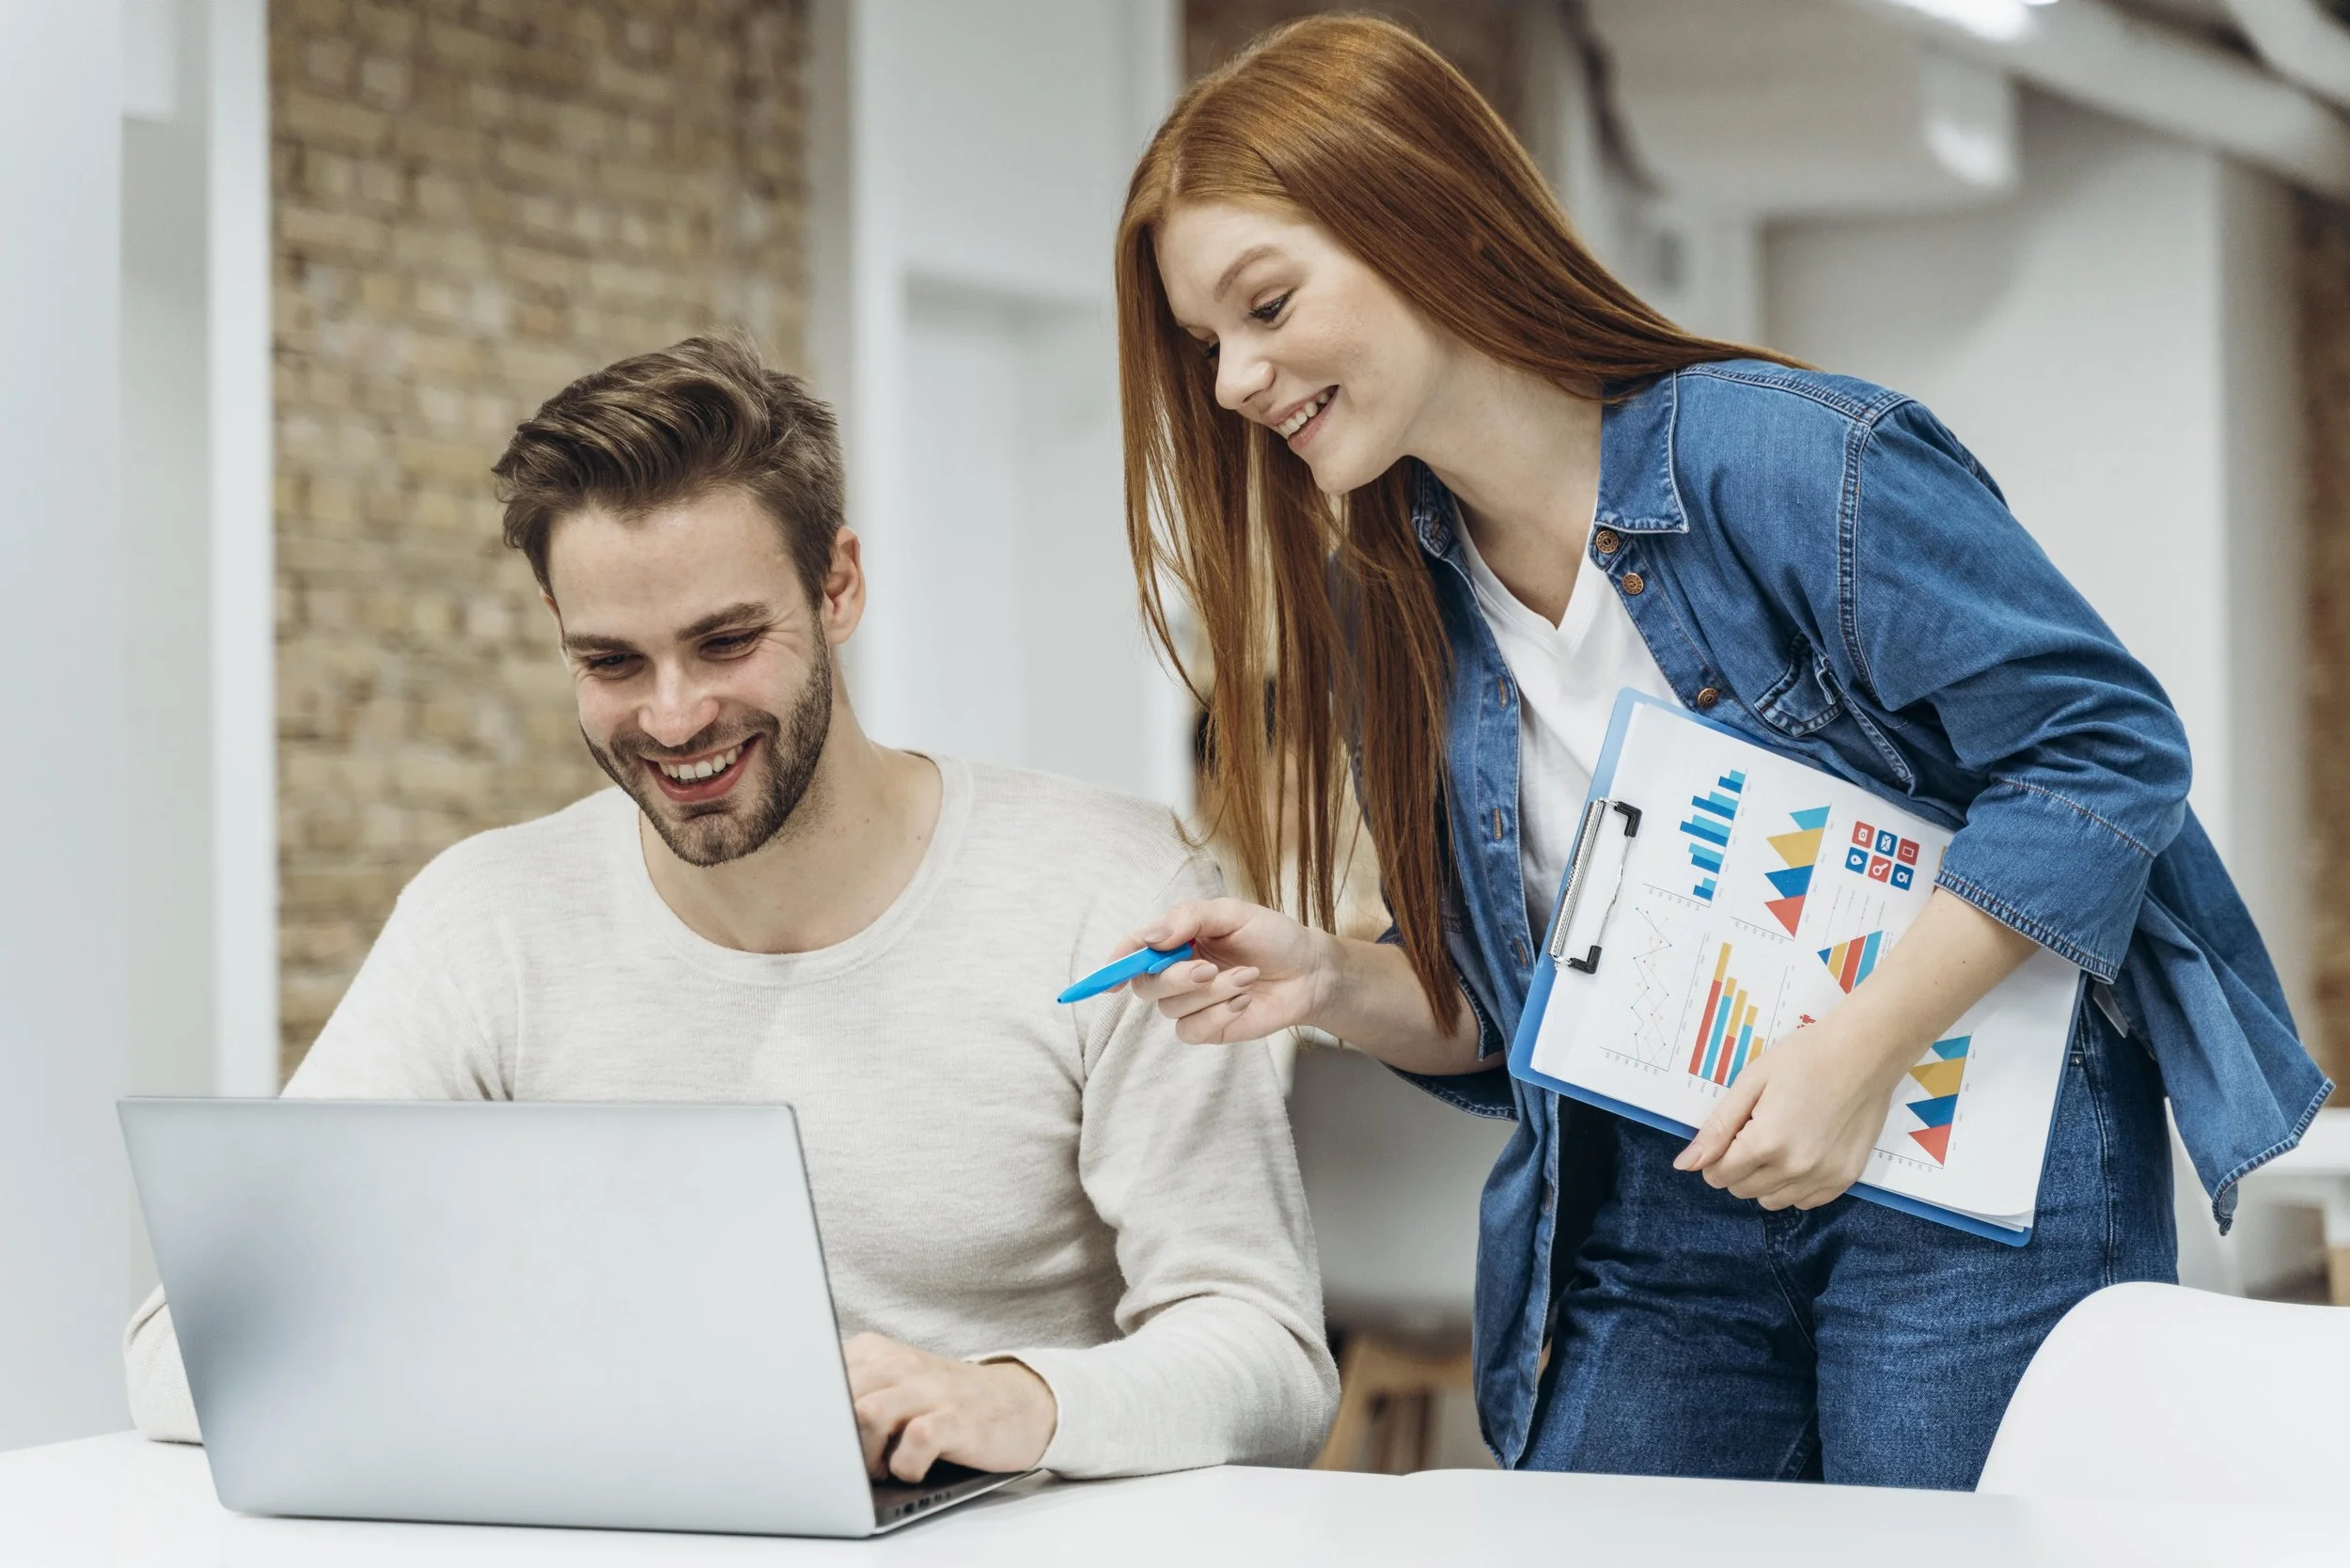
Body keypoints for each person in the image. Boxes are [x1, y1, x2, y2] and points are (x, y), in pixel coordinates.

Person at [1105, 16, 2326, 1489]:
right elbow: (1520, 1017)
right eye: (1206, 344)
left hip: (1962, 1169)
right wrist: (1329, 982)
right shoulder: (1394, 609)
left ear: (1430, 225)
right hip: (1656, 1202)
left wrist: (1858, 1055)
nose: (1234, 380)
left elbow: (2104, 752)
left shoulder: (1790, 462)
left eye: (1266, 305)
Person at [123, 334, 1338, 1482]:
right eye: (611, 663)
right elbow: (184, 1348)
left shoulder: (1110, 890)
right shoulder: (486, 920)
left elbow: (1269, 1353)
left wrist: (1022, 1401)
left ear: (840, 585)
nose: (672, 716)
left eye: (726, 642)